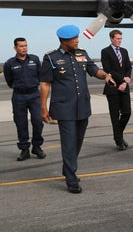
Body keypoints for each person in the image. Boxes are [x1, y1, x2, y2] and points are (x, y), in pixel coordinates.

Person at [40, 25, 116, 193]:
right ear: (65, 41)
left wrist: (106, 76)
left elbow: (94, 70)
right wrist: (43, 108)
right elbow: (45, 84)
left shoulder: (82, 53)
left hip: (82, 106)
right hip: (63, 107)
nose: (77, 40)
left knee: (77, 141)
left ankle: (68, 169)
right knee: (68, 143)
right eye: (74, 39)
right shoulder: (51, 58)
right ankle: (71, 178)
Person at [4, 37, 46, 161]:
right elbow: (9, 81)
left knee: (38, 121)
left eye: (25, 45)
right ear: (15, 48)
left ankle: (37, 147)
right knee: (21, 123)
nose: (24, 48)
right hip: (19, 96)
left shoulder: (34, 59)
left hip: (34, 95)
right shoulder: (9, 63)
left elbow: (40, 75)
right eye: (21, 46)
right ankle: (24, 150)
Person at [101, 30, 132, 151]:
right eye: (117, 38)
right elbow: (108, 69)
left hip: (124, 87)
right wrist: (122, 79)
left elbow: (128, 68)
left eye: (121, 38)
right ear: (111, 38)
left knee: (127, 113)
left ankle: (117, 135)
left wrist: (125, 82)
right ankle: (119, 140)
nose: (119, 40)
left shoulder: (124, 51)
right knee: (115, 115)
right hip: (112, 87)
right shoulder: (105, 52)